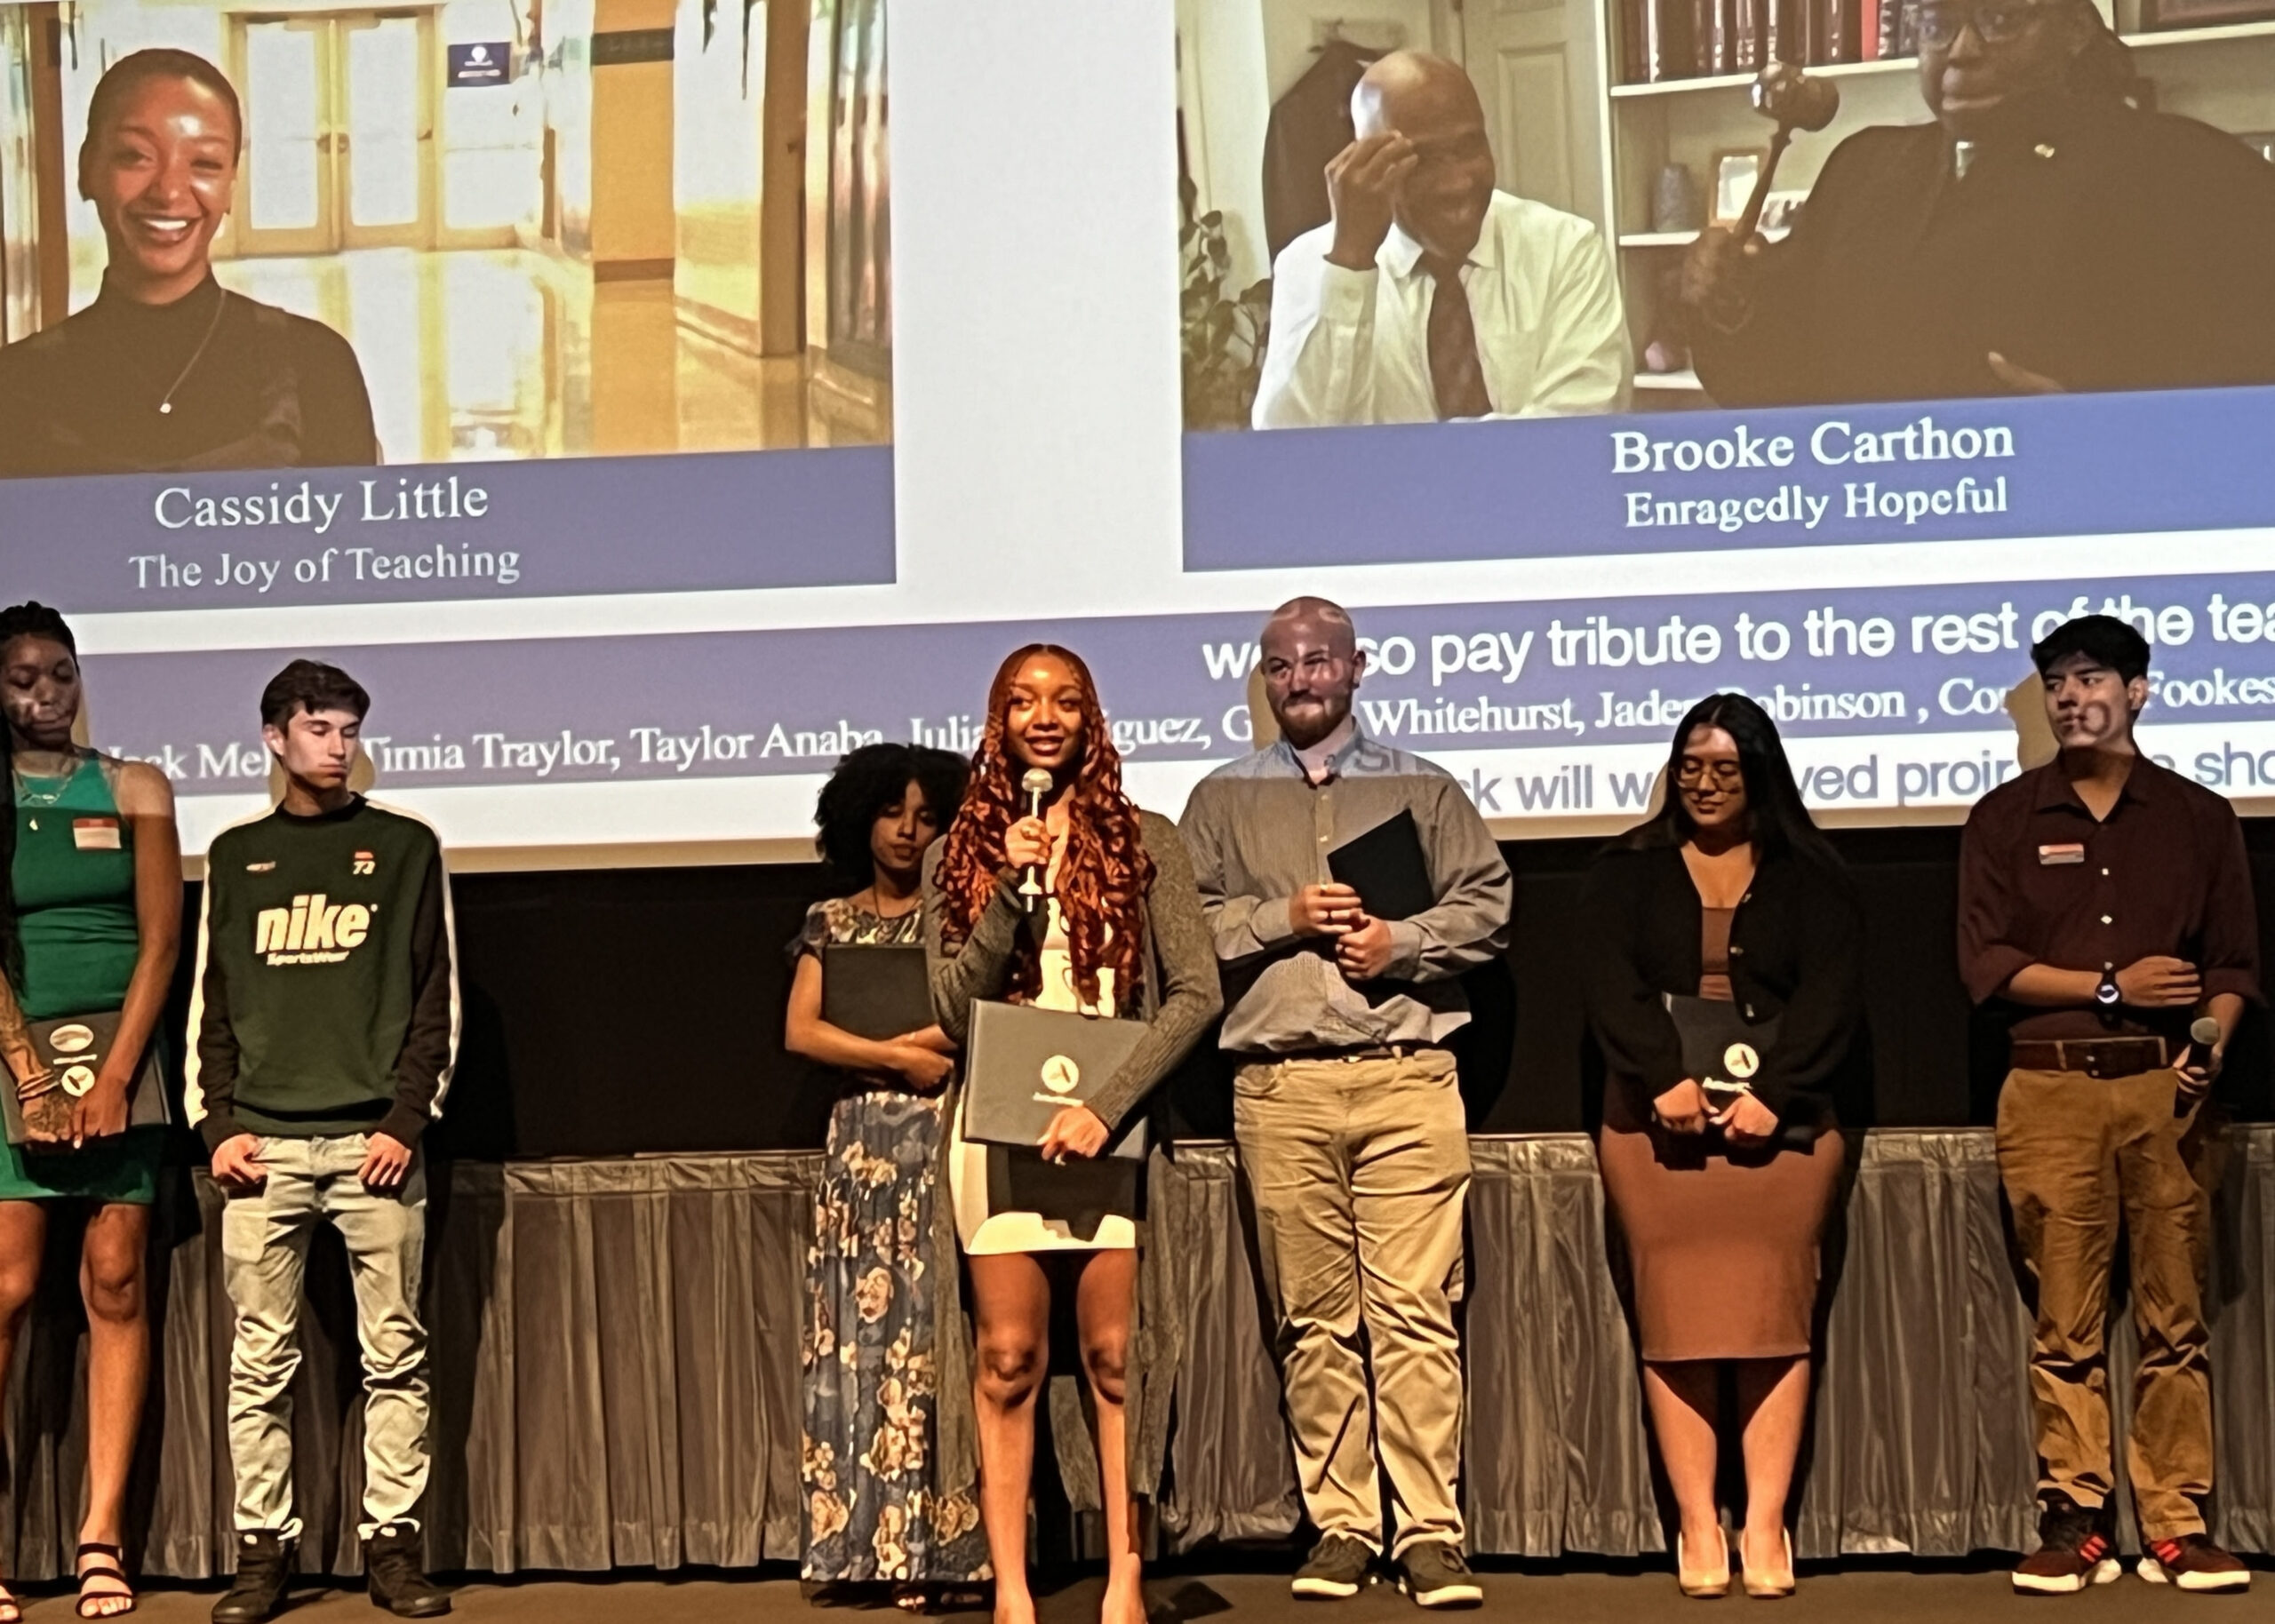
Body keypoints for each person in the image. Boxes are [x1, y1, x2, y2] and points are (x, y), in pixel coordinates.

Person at [1177, 598, 1511, 1609]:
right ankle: (1341, 1527)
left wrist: (1399, 945)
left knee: (1414, 1314)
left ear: (1357, 668)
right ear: (1263, 679)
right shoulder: (1220, 799)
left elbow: (1488, 904)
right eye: (1280, 667)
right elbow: (1180, 928)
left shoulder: (1425, 784)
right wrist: (1278, 917)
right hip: (1280, 1087)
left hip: (1409, 1078)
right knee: (1314, 1319)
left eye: (1318, 662)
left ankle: (1427, 1534)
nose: (1301, 681)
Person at [1959, 615, 2256, 1595]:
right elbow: (1987, 966)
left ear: (2138, 691)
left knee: (2175, 1319)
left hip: (2164, 1089)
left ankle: (2175, 1517)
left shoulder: (2197, 817)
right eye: (2055, 682)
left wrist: (2209, 1044)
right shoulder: (2003, 819)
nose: (2070, 697)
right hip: (2048, 1088)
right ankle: (2072, 1513)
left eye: (2091, 679)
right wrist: (2108, 987)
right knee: (2065, 1320)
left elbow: (2232, 965)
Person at [923, 645, 1219, 1624]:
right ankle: (1012, 1588)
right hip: (999, 1131)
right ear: (996, 722)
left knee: (1113, 1358)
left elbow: (1194, 995)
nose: (1042, 717)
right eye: (1021, 701)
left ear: (1090, 721)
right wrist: (1010, 892)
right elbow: (951, 1007)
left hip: (1111, 1132)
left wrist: (1109, 1102)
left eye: (1064, 701)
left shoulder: (1150, 841)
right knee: (1007, 1355)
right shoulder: (958, 854)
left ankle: (1126, 1573)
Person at [1577, 694, 1862, 1599]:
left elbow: (1833, 995)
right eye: (1690, 767)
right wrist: (1662, 1078)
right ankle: (1699, 1522)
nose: (1703, 785)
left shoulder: (1814, 875)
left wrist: (1774, 1097)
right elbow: (1606, 985)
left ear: (1760, 775)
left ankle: (1767, 1522)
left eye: (1725, 770)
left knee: (1777, 1321)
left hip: (1783, 1135)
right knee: (1678, 1323)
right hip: (1651, 1128)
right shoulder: (1623, 871)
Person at [187, 660, 455, 1622]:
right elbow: (210, 1005)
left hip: (372, 1146)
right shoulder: (234, 854)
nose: (337, 746)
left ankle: (394, 1548)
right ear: (274, 737)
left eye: (348, 729)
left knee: (396, 1355)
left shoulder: (406, 846)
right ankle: (263, 1553)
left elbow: (436, 999)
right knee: (259, 1362)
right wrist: (215, 1127)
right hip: (262, 1149)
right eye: (318, 728)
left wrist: (404, 1123)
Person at [1681, 0, 2275, 404]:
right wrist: (1731, 307)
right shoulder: (1863, 169)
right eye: (1938, 21)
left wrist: (2105, 429)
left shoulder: (2185, 171)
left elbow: (2248, 388)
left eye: (1999, 17)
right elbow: (1781, 387)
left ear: (2073, 29)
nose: (1961, 49)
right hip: (1878, 530)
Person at [0, 603, 181, 1620]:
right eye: (21, 677)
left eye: (59, 673)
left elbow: (160, 940)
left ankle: (101, 1536)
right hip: (9, 1054)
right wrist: (30, 1075)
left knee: (115, 1278)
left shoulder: (135, 784)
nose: (43, 695)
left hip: (121, 1052)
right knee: (9, 1287)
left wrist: (116, 1076)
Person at [786, 742, 990, 1607]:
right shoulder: (828, 919)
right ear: (858, 817)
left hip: (944, 1140)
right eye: (891, 812)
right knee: (861, 1348)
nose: (908, 831)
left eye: (928, 816)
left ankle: (939, 1553)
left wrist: (916, 1058)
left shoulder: (963, 920)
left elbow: (982, 1011)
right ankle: (858, 1549)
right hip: (860, 1152)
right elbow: (802, 1031)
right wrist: (892, 1057)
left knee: (937, 1346)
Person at [0, 50, 378, 478]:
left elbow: (358, 543)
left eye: (205, 163)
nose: (169, 191)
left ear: (230, 187)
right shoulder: (13, 385)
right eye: (135, 156)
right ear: (89, 171)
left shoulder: (317, 365)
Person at [1251, 50, 1629, 428]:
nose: (1458, 182)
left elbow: (1581, 426)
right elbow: (1290, 445)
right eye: (1422, 159)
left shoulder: (1563, 249)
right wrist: (1351, 264)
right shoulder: (1308, 264)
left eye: (1469, 148)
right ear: (1363, 162)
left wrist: (1408, 462)